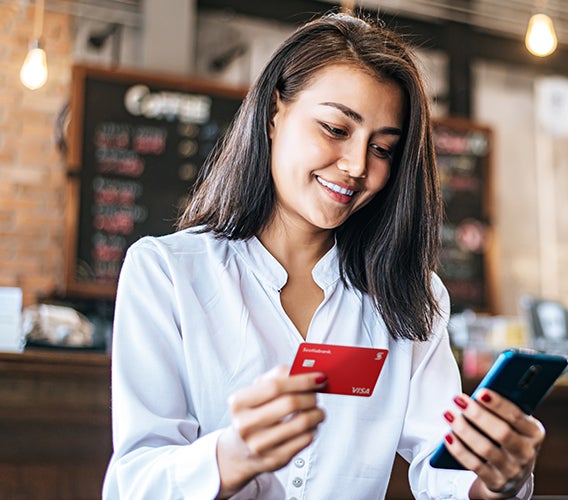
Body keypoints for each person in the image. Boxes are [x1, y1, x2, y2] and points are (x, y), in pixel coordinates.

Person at [102, 11, 545, 500]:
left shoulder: (410, 298)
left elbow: (446, 472)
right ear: (275, 113)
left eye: (382, 148)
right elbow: (134, 482)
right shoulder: (168, 273)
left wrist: (498, 478)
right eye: (336, 129)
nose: (357, 166)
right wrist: (231, 456)